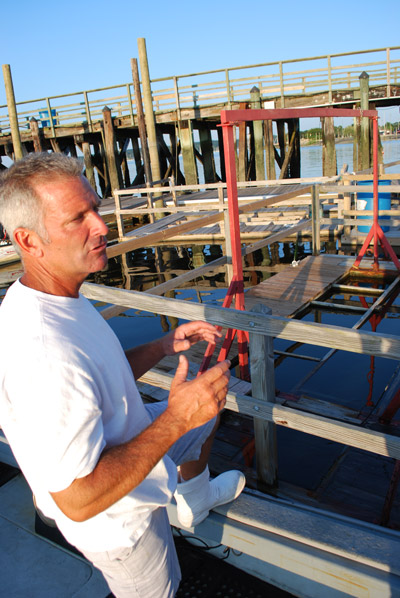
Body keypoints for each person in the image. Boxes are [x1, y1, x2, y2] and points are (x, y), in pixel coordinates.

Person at [0, 153, 245, 598]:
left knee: (205, 416)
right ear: (28, 241)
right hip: (116, 524)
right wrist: (175, 419)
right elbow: (77, 501)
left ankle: (194, 501)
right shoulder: (43, 351)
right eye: (78, 218)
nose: (102, 226)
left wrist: (162, 346)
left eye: (95, 207)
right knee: (160, 589)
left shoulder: (55, 295)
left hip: (124, 444)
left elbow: (96, 378)